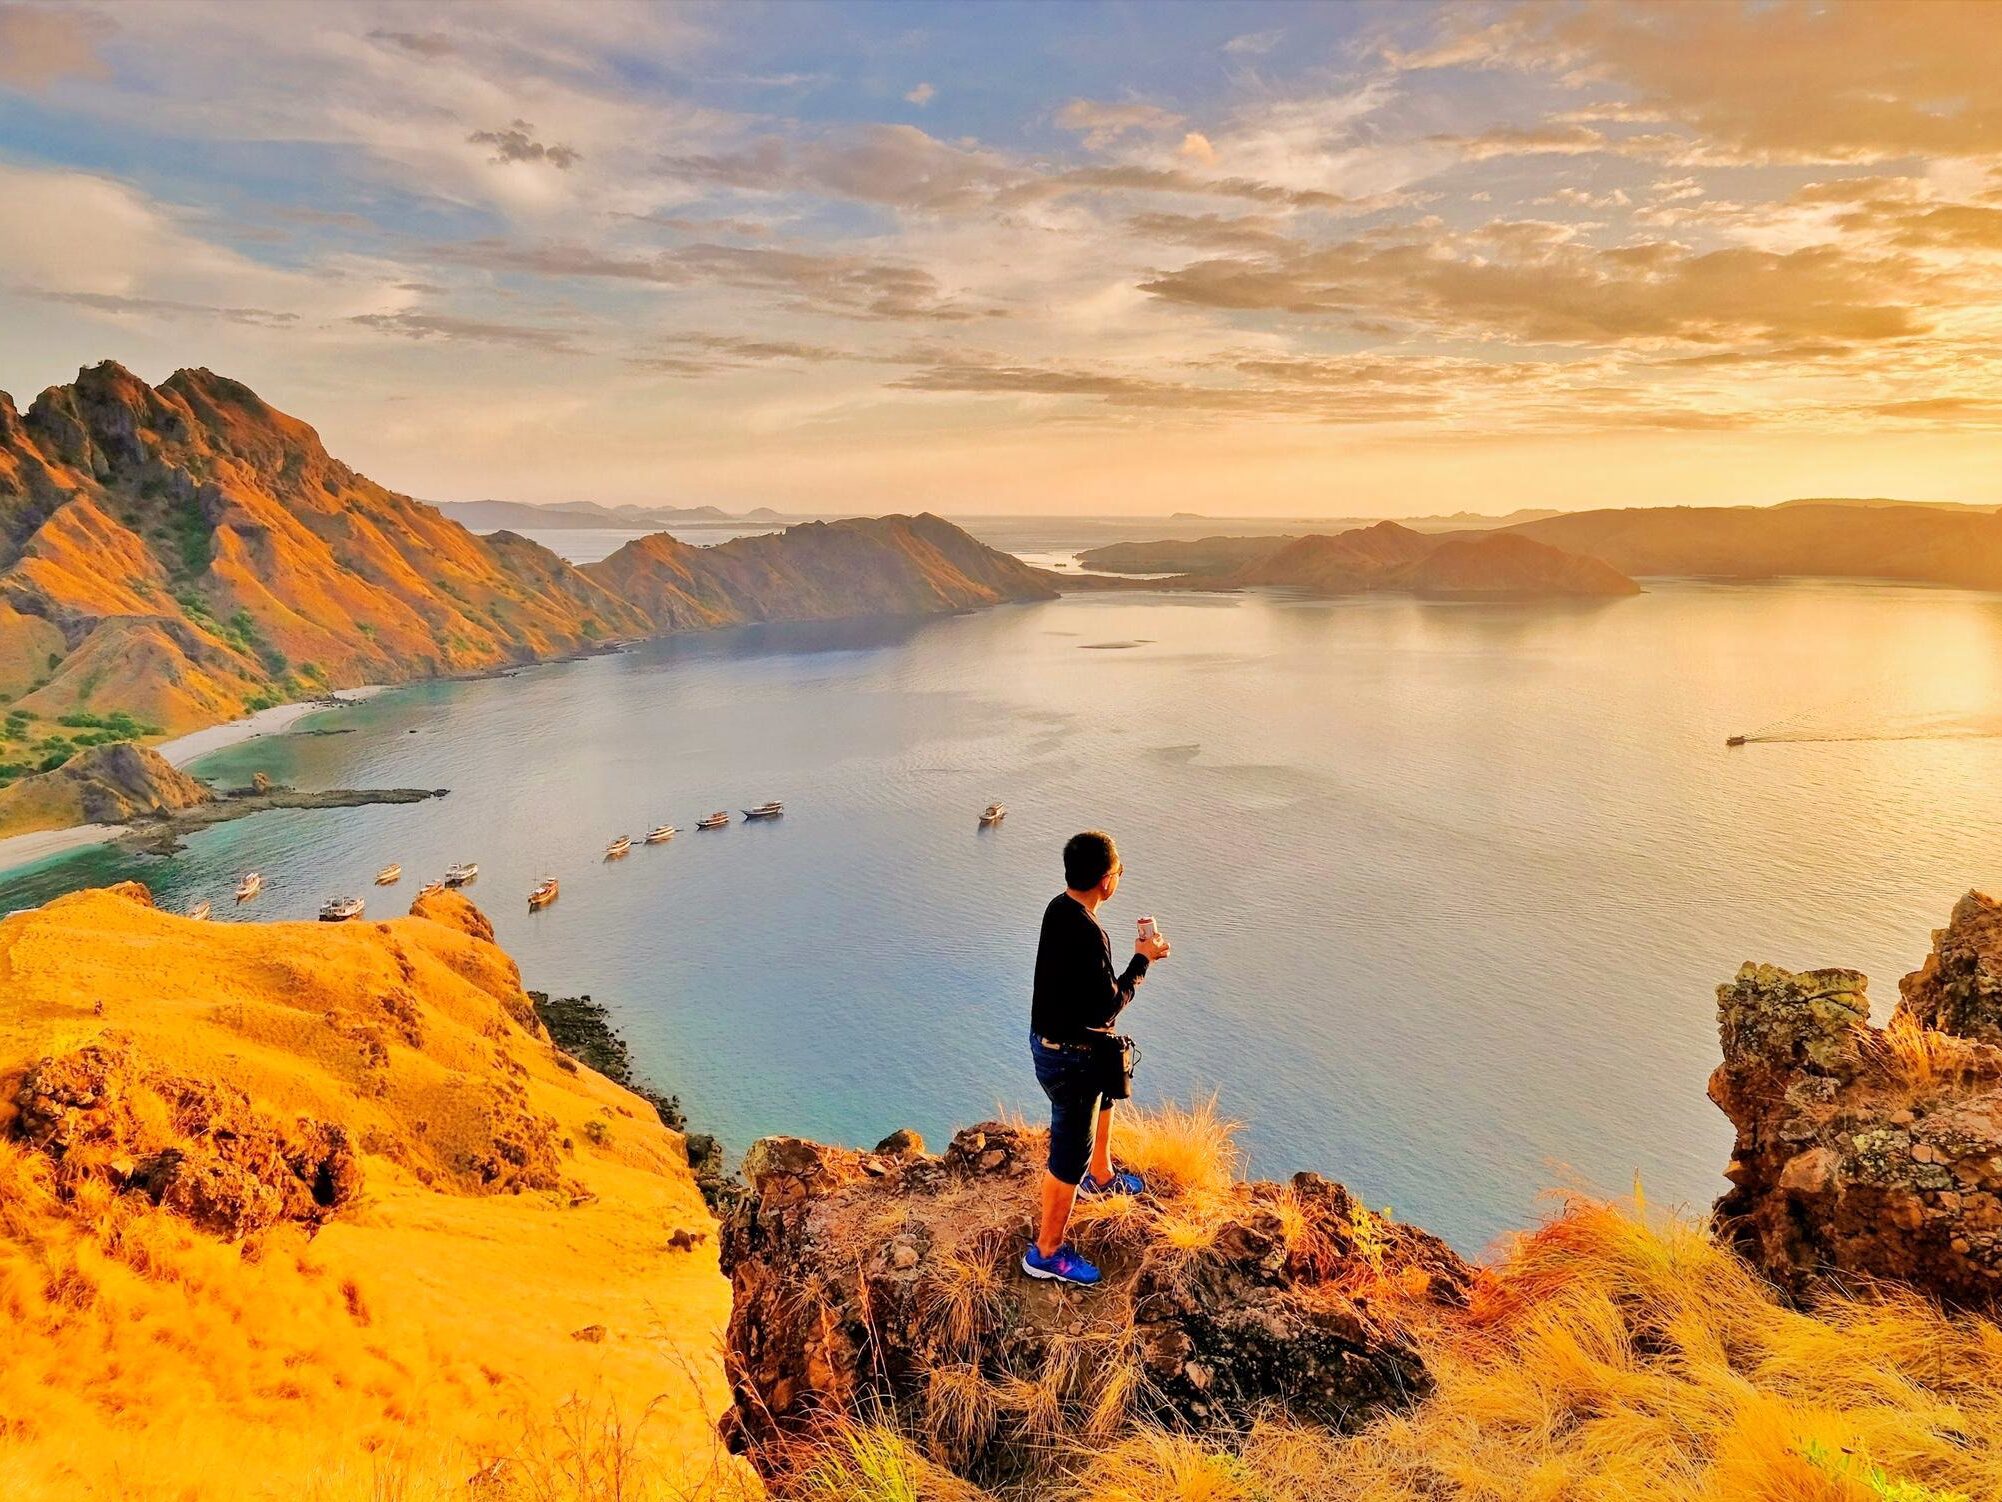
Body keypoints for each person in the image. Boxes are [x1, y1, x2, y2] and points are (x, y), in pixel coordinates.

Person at [1022, 829, 1170, 1287]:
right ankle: (1046, 1252)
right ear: (1107, 880)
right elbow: (1107, 1004)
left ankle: (1101, 1175)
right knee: (1068, 1156)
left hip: (1054, 1042)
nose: (1120, 874)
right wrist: (1143, 959)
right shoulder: (1089, 933)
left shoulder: (1058, 908)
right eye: (1119, 868)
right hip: (1069, 1057)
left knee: (1104, 1097)